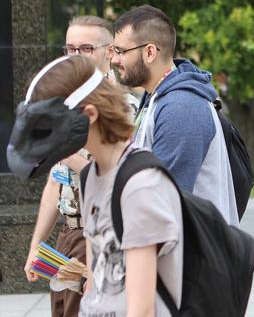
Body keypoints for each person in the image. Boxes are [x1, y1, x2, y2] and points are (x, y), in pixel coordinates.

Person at [26, 55, 183, 316]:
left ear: (88, 116)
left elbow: (142, 309)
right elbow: (95, 286)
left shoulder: (139, 186)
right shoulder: (92, 176)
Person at [111, 5, 239, 226]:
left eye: (121, 51)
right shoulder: (156, 98)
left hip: (193, 255)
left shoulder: (181, 107)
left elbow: (164, 201)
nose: (114, 60)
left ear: (149, 52)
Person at [23, 15, 116, 317]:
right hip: (68, 234)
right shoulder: (63, 105)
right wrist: (36, 244)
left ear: (110, 52)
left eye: (86, 48)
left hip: (100, 234)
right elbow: (55, 181)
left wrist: (60, 147)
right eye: (70, 49)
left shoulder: (120, 106)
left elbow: (112, 173)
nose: (76, 57)